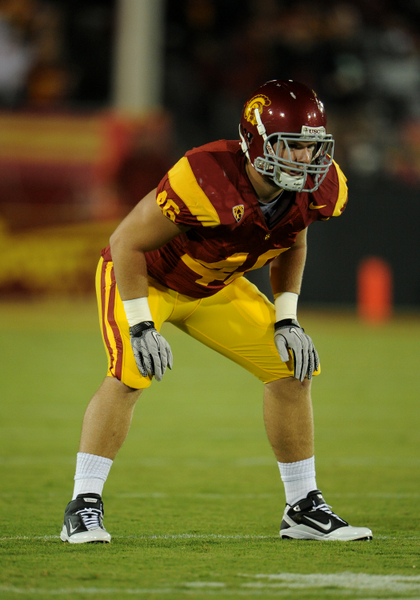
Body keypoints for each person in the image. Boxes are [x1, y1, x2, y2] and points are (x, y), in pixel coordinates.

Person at [60, 79, 373, 543]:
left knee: (291, 368)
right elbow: (125, 243)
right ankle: (82, 506)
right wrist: (141, 325)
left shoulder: (319, 186)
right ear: (257, 142)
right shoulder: (205, 176)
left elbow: (294, 239)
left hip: (214, 287)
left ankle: (302, 507)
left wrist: (287, 317)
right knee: (130, 372)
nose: (306, 158)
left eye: (311, 146)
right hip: (147, 279)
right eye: (292, 145)